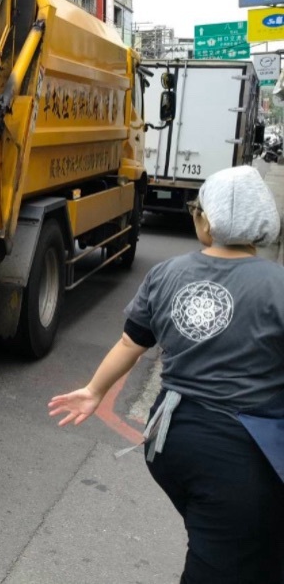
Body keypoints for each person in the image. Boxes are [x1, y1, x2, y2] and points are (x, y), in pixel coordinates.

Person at [49, 165, 284, 584]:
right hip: (241, 451)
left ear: (203, 221)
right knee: (223, 554)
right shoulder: (275, 285)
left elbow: (130, 344)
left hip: (170, 440)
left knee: (229, 539)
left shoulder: (167, 274)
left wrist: (93, 390)